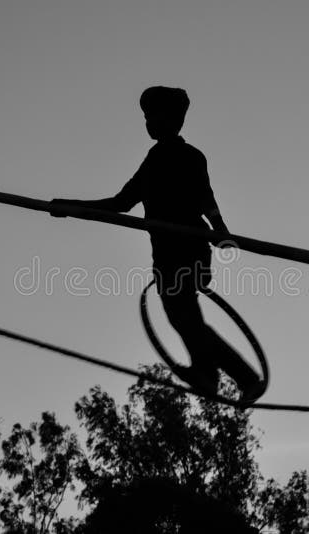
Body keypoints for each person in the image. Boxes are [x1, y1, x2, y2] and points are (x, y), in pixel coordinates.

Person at [50, 86, 263, 402]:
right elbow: (122, 203)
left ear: (172, 119)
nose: (148, 122)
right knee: (184, 317)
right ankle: (219, 375)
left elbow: (203, 198)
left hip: (184, 249)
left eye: (154, 116)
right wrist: (71, 207)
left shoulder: (181, 157)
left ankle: (230, 376)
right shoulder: (162, 158)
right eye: (146, 117)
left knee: (182, 315)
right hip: (172, 251)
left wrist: (221, 230)